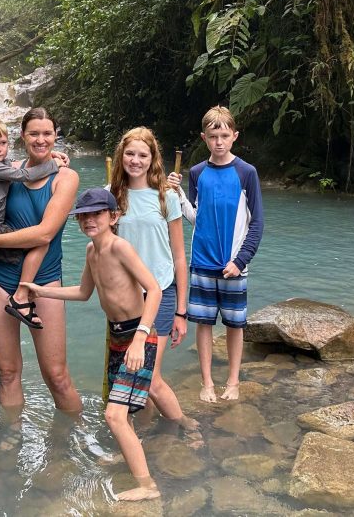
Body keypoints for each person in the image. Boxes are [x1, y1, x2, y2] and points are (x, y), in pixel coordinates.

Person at [24, 187, 162, 503]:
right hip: (117, 337)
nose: (89, 220)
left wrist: (140, 337)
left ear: (113, 216)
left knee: (114, 415)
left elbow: (154, 290)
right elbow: (84, 292)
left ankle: (148, 485)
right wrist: (41, 291)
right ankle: (137, 449)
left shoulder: (119, 247)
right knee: (126, 410)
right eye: (84, 215)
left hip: (137, 335)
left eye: (97, 213)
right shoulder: (91, 251)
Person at [0, 107, 81, 412]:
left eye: (47, 133)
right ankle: (9, 448)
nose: (41, 140)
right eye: (34, 133)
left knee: (56, 376)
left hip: (44, 283)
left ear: (56, 136)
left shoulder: (65, 178)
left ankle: (68, 448)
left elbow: (44, 234)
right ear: (22, 136)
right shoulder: (7, 169)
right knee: (8, 373)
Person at [108, 127, 201, 444]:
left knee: (150, 376)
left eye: (142, 155)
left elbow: (178, 257)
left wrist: (182, 312)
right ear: (122, 156)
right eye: (130, 154)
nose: (135, 160)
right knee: (130, 373)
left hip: (160, 294)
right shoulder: (112, 196)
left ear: (152, 159)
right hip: (125, 298)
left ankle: (187, 425)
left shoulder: (167, 196)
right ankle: (142, 433)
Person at [183, 105, 263, 403]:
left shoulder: (246, 173)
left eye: (225, 136)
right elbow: (195, 217)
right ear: (204, 138)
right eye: (213, 136)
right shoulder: (196, 173)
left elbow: (257, 223)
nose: (219, 142)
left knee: (234, 325)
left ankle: (232, 381)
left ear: (235, 137)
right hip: (202, 262)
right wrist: (176, 195)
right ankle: (206, 382)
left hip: (233, 265)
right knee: (203, 324)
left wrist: (240, 261)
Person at [0, 115, 67, 330]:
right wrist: (53, 163)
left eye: (2, 143)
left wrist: (51, 156)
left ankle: (21, 295)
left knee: (41, 238)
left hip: (44, 278)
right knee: (39, 241)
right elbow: (22, 174)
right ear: (23, 136)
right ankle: (21, 297)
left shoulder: (0, 164)